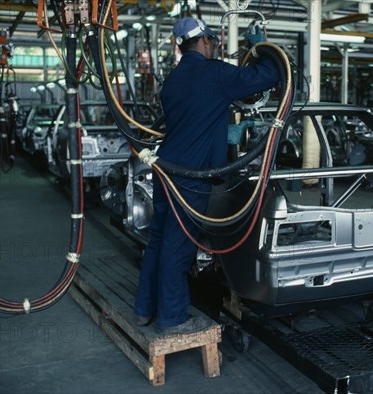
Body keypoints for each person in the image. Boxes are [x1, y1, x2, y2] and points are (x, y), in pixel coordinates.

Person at [134, 17, 280, 334]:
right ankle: (171, 317)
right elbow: (269, 75)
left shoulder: (172, 80)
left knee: (158, 240)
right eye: (212, 42)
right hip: (189, 177)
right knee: (178, 245)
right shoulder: (214, 74)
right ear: (202, 41)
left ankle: (144, 308)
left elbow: (194, 117)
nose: (213, 47)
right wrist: (261, 46)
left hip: (165, 169)